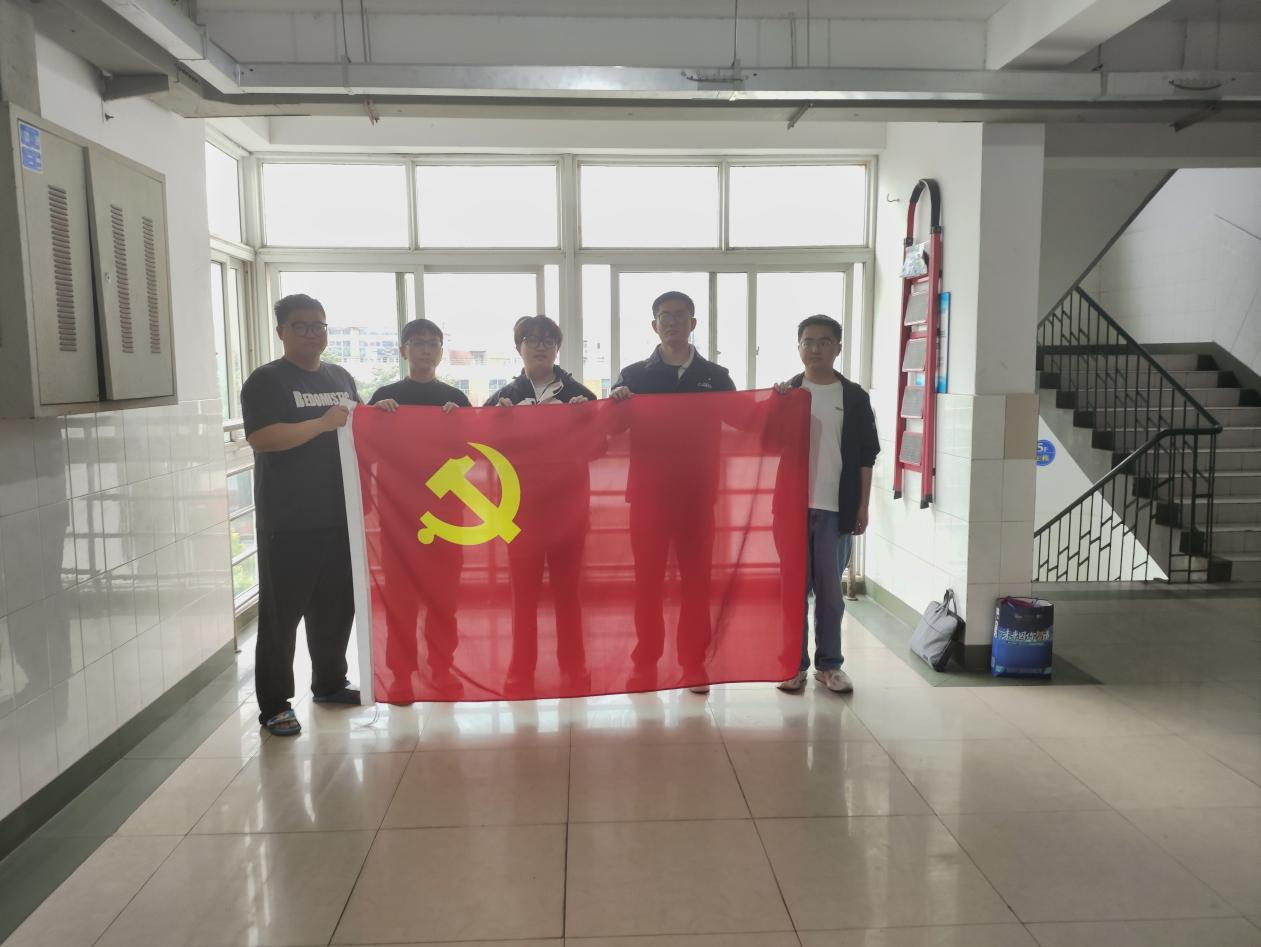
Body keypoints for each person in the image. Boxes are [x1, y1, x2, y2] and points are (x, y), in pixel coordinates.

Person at [241, 293, 361, 737]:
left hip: (340, 514)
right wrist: (320, 424)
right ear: (282, 332)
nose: (312, 334)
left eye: (319, 326)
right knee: (281, 617)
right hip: (288, 520)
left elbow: (358, 426)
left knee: (335, 609)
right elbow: (262, 438)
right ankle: (275, 705)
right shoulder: (266, 380)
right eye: (301, 326)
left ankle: (329, 682)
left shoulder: (340, 376)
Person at [611, 291, 735, 695]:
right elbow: (610, 429)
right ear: (654, 325)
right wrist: (616, 404)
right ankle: (645, 661)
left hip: (697, 498)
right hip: (647, 498)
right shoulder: (633, 376)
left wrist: (782, 400)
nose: (673, 323)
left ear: (693, 324)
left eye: (681, 316)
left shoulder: (716, 377)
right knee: (647, 583)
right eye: (665, 316)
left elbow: (746, 416)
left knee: (696, 583)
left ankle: (693, 663)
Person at [487, 316, 598, 697]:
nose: (540, 346)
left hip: (569, 511)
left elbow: (599, 447)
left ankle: (574, 667)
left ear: (557, 347)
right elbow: (483, 448)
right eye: (532, 340)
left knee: (568, 595)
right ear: (518, 347)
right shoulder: (503, 397)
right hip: (520, 514)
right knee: (524, 597)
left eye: (548, 339)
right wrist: (498, 422)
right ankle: (521, 670)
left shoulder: (579, 394)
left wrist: (585, 420)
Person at [773, 314, 879, 695]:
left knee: (831, 594)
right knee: (793, 591)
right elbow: (765, 444)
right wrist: (774, 407)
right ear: (798, 347)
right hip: (791, 509)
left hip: (836, 509)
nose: (815, 348)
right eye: (808, 341)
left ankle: (830, 665)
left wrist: (862, 506)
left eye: (823, 341)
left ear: (838, 348)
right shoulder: (786, 393)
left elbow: (867, 456)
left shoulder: (854, 397)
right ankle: (794, 666)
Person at [368, 319, 471, 699]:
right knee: (401, 602)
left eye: (433, 343)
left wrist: (458, 425)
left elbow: (472, 455)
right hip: (398, 518)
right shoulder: (386, 398)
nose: (426, 349)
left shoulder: (455, 401)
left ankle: (442, 669)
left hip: (446, 519)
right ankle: (401, 675)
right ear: (403, 350)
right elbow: (368, 449)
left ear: (441, 352)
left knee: (443, 600)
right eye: (418, 342)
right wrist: (376, 417)